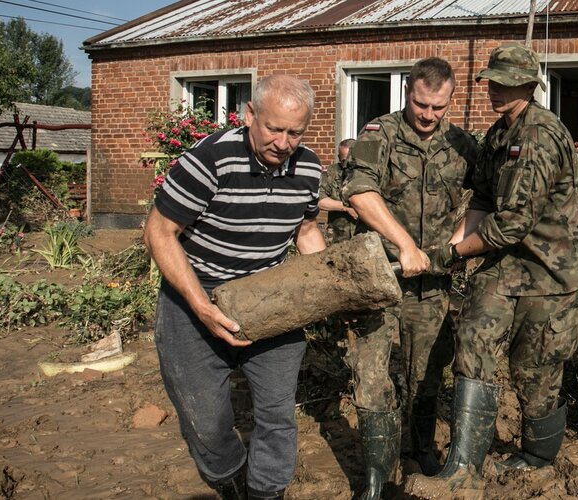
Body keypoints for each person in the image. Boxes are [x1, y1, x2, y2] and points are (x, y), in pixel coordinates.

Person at [405, 42, 578, 498]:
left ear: (528, 86)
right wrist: (454, 242)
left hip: (556, 268)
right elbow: (481, 197)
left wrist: (454, 256)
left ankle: (538, 457)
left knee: (534, 366)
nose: (495, 89)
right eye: (492, 81)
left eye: (506, 83)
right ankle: (463, 468)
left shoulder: (539, 136)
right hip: (511, 261)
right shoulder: (501, 133)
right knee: (473, 335)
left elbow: (513, 223)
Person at [143, 74, 325, 500]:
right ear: (249, 116)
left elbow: (307, 231)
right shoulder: (210, 160)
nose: (283, 142)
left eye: (294, 132)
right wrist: (200, 304)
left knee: (277, 412)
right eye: (274, 128)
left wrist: (325, 286)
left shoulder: (310, 166)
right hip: (195, 295)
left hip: (270, 294)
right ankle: (229, 480)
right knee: (206, 420)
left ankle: (266, 492)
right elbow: (159, 232)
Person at [340, 57, 477, 498]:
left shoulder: (462, 144)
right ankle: (377, 475)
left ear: (450, 100)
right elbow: (360, 193)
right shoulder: (379, 134)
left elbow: (485, 199)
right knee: (373, 373)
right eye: (421, 104)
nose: (428, 115)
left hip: (433, 282)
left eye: (438, 107)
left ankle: (421, 451)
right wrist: (404, 245)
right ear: (408, 94)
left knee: (427, 372)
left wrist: (455, 243)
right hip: (380, 276)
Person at [318, 138, 358, 243]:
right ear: (339, 157)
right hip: (338, 236)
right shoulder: (331, 173)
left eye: (351, 160)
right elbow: (320, 201)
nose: (347, 165)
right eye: (343, 160)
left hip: (364, 235)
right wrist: (346, 207)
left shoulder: (369, 174)